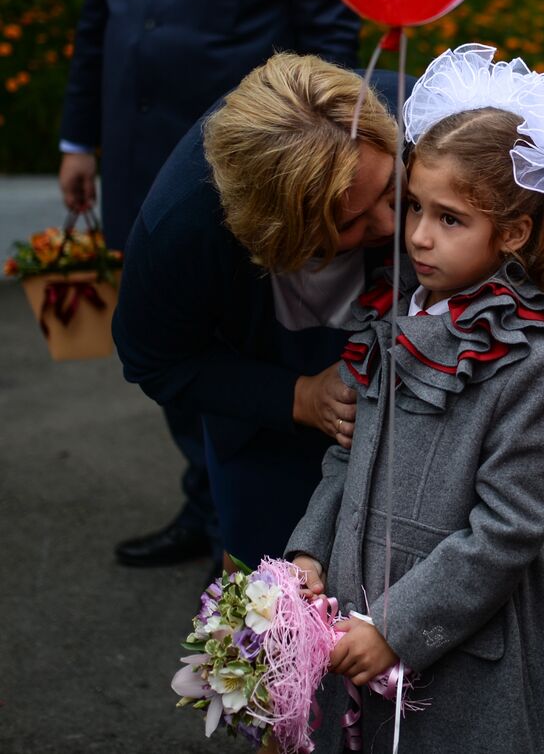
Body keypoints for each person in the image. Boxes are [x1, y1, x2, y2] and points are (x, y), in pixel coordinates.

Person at [285, 43, 544, 752]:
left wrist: (396, 628)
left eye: (450, 219)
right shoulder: (392, 321)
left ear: (509, 233)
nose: (416, 235)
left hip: (453, 645)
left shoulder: (525, 363)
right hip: (352, 611)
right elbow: (344, 457)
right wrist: (308, 551)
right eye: (413, 206)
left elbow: (507, 529)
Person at [58, 0, 361, 572]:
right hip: (139, 160)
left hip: (255, 179)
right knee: (167, 331)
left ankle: (254, 521)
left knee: (247, 340)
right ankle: (206, 503)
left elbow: (328, 38)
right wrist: (78, 138)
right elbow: (101, 20)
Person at [111, 53, 408, 573]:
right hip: (264, 417)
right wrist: (299, 398)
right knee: (274, 588)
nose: (390, 224)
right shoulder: (180, 229)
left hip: (409, 427)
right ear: (277, 230)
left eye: (394, 191)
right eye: (352, 220)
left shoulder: (421, 116)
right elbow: (155, 361)